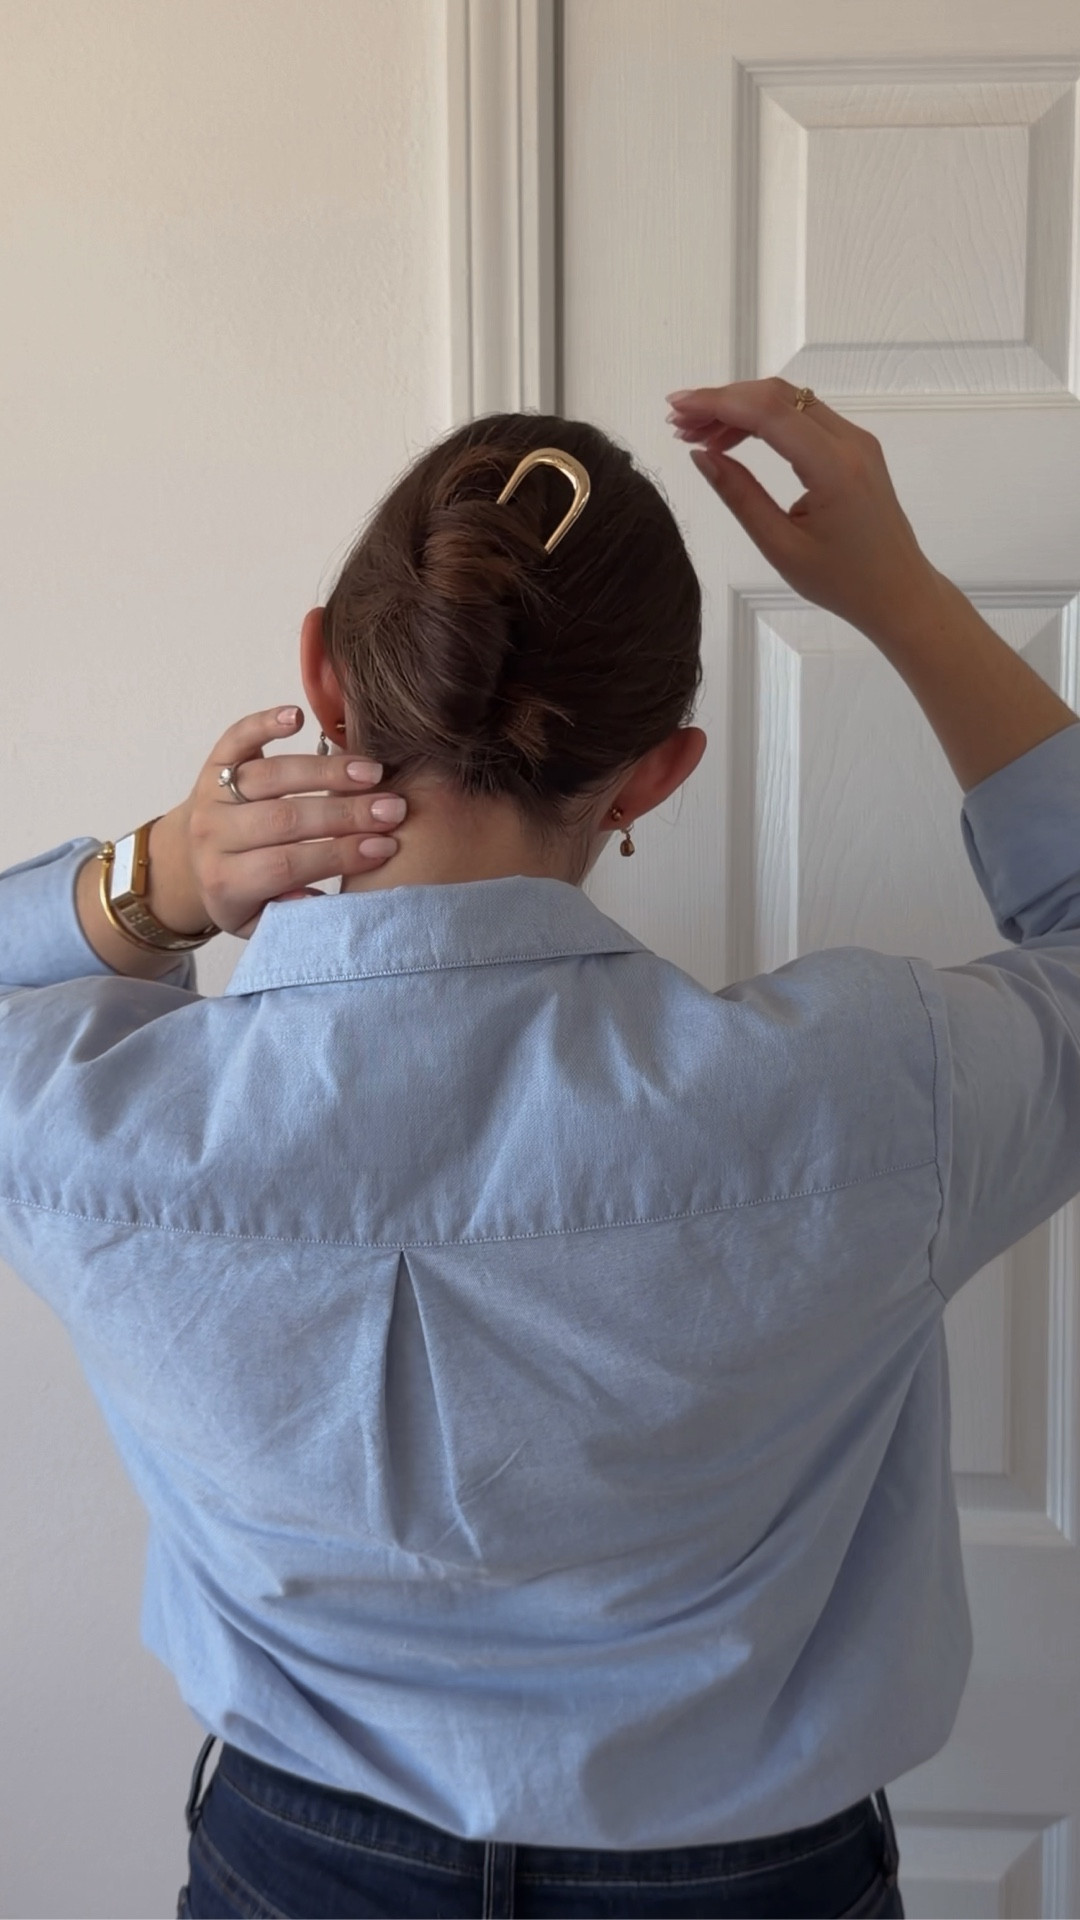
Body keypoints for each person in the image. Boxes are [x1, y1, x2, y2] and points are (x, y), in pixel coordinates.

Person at [1, 378, 1078, 1919]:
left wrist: (151, 879)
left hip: (293, 1870)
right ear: (657, 773)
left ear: (323, 675)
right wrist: (899, 598)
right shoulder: (877, 1087)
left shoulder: (81, 1118)